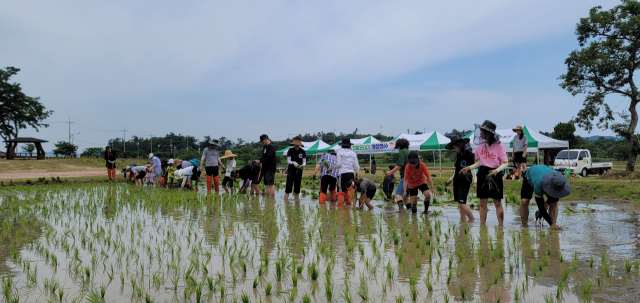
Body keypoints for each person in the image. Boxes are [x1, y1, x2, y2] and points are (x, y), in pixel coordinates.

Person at [461, 120, 509, 226]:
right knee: (482, 202)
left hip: (495, 173)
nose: (480, 133)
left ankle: (500, 225)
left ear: (488, 133)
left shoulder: (499, 146)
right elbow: (479, 163)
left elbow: (505, 163)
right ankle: (482, 226)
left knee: (497, 202)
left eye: (482, 131)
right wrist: (469, 167)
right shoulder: (480, 146)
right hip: (483, 173)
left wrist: (497, 170)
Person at [520, 165, 572, 229]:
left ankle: (554, 225)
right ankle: (524, 226)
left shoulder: (560, 180)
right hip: (530, 175)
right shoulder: (538, 184)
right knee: (524, 201)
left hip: (546, 173)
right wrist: (550, 223)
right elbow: (541, 207)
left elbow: (554, 197)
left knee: (554, 202)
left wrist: (547, 203)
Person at [445, 135, 476, 221]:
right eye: (454, 148)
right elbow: (457, 170)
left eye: (456, 147)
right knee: (460, 203)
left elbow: (472, 168)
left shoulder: (469, 154)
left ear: (460, 145)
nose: (455, 150)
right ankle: (463, 221)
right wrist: (450, 180)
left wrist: (475, 181)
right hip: (457, 180)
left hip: (465, 180)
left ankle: (472, 220)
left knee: (462, 203)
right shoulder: (459, 155)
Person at [328, 138, 360, 206]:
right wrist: (356, 174)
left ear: (342, 145)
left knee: (340, 190)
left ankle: (340, 207)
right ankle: (348, 205)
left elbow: (338, 164)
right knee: (348, 189)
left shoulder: (340, 153)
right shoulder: (353, 153)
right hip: (351, 174)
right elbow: (356, 165)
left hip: (342, 174)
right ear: (349, 145)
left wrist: (331, 169)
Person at [385, 138, 410, 211]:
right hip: (412, 177)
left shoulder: (402, 152)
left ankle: (401, 213)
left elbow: (400, 165)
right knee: (404, 197)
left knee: (397, 194)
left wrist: (390, 172)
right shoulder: (409, 151)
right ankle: (411, 212)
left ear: (399, 146)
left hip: (406, 177)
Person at [284, 136, 307, 200]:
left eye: (298, 145)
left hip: (299, 171)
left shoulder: (302, 152)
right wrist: (293, 162)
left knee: (297, 188)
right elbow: (288, 161)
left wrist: (302, 165)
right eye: (295, 144)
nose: (296, 146)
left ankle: (297, 203)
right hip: (291, 171)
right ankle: (286, 202)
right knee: (288, 188)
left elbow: (304, 162)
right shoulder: (290, 150)